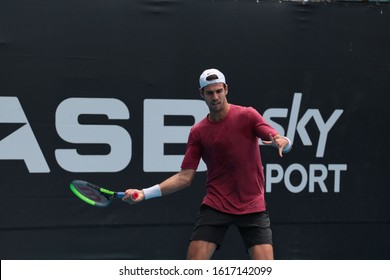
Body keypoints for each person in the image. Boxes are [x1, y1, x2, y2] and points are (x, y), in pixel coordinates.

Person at [123, 68, 292, 260]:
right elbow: (184, 177)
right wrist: (144, 193)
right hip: (216, 204)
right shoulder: (198, 132)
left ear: (226, 89)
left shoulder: (247, 115)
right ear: (201, 94)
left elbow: (275, 136)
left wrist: (283, 142)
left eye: (219, 91)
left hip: (252, 205)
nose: (215, 97)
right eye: (210, 92)